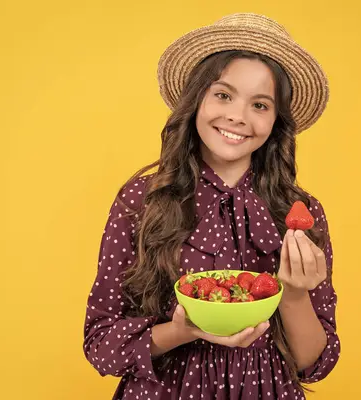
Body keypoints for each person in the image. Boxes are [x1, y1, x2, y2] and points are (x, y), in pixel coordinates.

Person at [83, 13, 340, 400]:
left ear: (276, 121)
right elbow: (100, 343)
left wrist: (295, 293)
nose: (237, 116)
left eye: (260, 104)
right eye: (223, 94)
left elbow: (312, 363)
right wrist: (181, 330)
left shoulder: (300, 213)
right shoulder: (141, 200)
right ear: (197, 99)